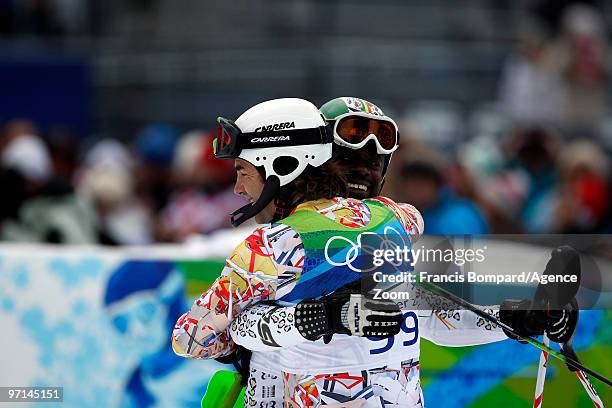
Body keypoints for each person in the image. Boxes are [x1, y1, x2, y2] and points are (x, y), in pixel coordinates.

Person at [171, 98, 418, 400]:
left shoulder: (270, 247)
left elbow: (188, 338)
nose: (237, 187)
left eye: (243, 171)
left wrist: (236, 337)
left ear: (285, 165)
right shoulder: (401, 221)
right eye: (350, 162)